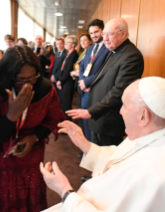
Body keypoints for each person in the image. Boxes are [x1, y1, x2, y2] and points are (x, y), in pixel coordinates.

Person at [40, 76, 165, 212]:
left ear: (143, 116)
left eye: (125, 106)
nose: (121, 112)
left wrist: (65, 191)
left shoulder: (159, 178)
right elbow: (122, 160)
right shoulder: (159, 133)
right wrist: (86, 145)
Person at [0, 45, 65, 212]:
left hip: (32, 151)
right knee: (4, 200)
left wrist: (34, 138)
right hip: (1, 154)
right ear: (8, 76)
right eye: (21, 80)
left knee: (32, 195)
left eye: (32, 78)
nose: (27, 84)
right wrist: (12, 115)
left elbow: (52, 120)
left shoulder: (46, 88)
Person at [66, 18, 144, 146]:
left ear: (123, 34)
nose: (105, 38)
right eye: (104, 34)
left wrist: (91, 111)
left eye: (110, 34)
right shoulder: (114, 50)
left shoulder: (131, 56)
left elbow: (120, 91)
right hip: (100, 118)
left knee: (106, 161)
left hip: (108, 120)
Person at [71, 20, 109, 142]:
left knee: (95, 125)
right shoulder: (90, 48)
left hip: (97, 91)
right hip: (85, 91)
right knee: (85, 123)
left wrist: (87, 82)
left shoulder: (108, 47)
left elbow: (105, 70)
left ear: (103, 30)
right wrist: (82, 81)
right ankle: (87, 150)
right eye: (91, 33)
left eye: (96, 31)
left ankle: (94, 152)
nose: (94, 35)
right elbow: (82, 67)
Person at [55, 35, 79, 120]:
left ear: (73, 44)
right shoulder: (68, 54)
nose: (65, 44)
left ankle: (67, 122)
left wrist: (60, 80)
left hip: (68, 82)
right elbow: (63, 68)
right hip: (65, 82)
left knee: (66, 104)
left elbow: (68, 70)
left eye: (67, 42)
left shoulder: (73, 55)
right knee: (63, 103)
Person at [50, 37, 67, 103]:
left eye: (61, 44)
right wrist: (52, 75)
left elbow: (63, 68)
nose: (59, 46)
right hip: (53, 78)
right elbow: (54, 66)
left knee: (60, 99)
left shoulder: (66, 54)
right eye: (57, 44)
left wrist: (55, 76)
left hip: (60, 78)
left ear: (64, 44)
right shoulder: (57, 53)